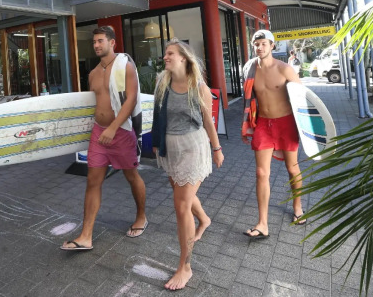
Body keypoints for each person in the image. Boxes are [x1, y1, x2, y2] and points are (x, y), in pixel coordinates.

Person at [61, 26, 147, 251]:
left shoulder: (125, 66)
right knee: (92, 181)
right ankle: (85, 236)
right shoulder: (93, 73)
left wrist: (113, 128)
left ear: (112, 43)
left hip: (122, 131)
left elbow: (131, 100)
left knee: (131, 176)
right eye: (94, 42)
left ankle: (141, 217)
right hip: (99, 132)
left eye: (100, 41)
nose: (96, 45)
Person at [151, 39, 224, 290]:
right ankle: (204, 219)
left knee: (181, 206)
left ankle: (185, 267)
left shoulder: (199, 87)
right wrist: (156, 142)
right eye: (165, 54)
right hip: (170, 148)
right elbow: (157, 114)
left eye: (170, 53)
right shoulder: (162, 82)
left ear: (183, 57)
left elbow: (208, 121)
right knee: (182, 194)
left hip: (193, 147)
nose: (165, 57)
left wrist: (217, 149)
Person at [241, 29, 305, 240]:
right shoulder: (250, 69)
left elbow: (303, 99)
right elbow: (249, 100)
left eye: (263, 44)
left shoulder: (285, 69)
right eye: (256, 44)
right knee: (261, 173)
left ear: (272, 45)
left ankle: (298, 207)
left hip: (286, 123)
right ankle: (262, 224)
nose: (259, 47)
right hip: (263, 124)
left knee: (292, 168)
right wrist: (247, 124)